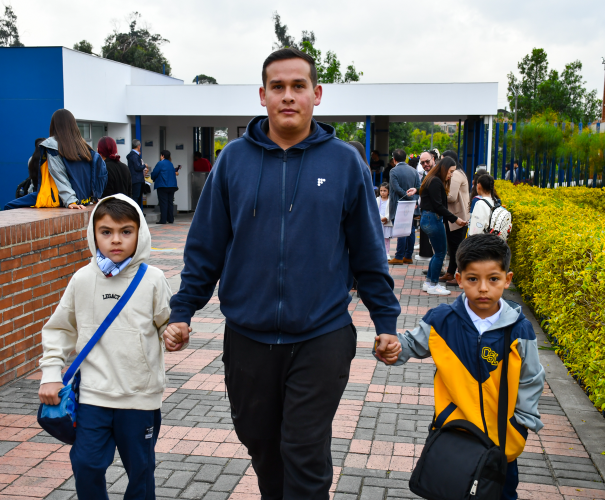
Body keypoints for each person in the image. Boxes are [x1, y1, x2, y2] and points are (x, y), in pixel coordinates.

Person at [165, 47, 401, 499]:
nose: (288, 96)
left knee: (305, 451)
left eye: (298, 86)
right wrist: (183, 311)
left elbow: (369, 252)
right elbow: (205, 247)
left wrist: (385, 322)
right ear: (262, 95)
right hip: (248, 338)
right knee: (263, 449)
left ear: (317, 94)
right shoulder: (233, 160)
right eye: (278, 87)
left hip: (321, 335)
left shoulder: (344, 162)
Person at [377, 234, 545, 500]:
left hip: (500, 443)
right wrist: (391, 349)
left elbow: (532, 378)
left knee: (501, 494)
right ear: (459, 279)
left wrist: (521, 424)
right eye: (472, 279)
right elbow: (410, 344)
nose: (483, 288)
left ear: (507, 279)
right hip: (453, 437)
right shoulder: (441, 321)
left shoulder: (519, 330)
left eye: (493, 279)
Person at [38, 195, 173, 499]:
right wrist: (50, 373)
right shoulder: (82, 279)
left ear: (140, 233)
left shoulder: (152, 279)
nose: (116, 240)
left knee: (141, 471)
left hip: (139, 399)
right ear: (93, 233)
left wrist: (174, 333)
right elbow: (59, 328)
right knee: (85, 464)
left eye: (126, 231)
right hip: (93, 397)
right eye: (106, 231)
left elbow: (167, 323)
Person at [4, 109, 108, 210]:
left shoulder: (53, 146)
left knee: (9, 206)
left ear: (54, 125)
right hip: (85, 199)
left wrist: (71, 200)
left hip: (57, 197)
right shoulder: (86, 148)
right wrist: (94, 196)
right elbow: (101, 174)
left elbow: (59, 174)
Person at [419, 157, 467, 295]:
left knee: (438, 253)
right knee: (440, 253)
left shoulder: (432, 179)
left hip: (429, 218)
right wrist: (455, 219)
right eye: (450, 171)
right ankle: (433, 284)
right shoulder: (435, 181)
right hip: (433, 218)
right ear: (444, 168)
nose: (451, 174)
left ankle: (429, 282)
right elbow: (438, 205)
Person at [441, 150, 469, 285]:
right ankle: (450, 273)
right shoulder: (459, 172)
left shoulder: (456, 174)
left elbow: (451, 196)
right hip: (455, 215)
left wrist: (437, 196)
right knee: (453, 247)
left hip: (457, 216)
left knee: (456, 247)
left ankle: (459, 276)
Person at [387, 149, 419, 265]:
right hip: (412, 205)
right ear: (405, 158)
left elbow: (396, 189)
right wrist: (413, 199)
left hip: (398, 204)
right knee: (410, 230)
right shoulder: (414, 171)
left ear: (394, 159)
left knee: (401, 230)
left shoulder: (393, 171)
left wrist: (407, 196)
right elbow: (418, 187)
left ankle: (399, 257)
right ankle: (408, 256)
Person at [151, 149, 178, 224]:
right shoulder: (171, 164)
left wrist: (152, 178)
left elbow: (154, 173)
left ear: (162, 156)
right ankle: (170, 219)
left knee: (163, 203)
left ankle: (163, 220)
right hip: (172, 186)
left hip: (163, 185)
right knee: (170, 202)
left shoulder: (160, 163)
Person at [127, 140, 148, 208]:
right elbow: (138, 167)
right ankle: (136, 214)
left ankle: (137, 214)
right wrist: (144, 165)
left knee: (137, 197)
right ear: (138, 146)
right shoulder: (134, 156)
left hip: (135, 179)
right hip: (137, 179)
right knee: (136, 198)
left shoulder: (132, 155)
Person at [377, 182, 392, 260]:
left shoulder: (390, 200)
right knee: (378, 238)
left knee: (386, 239)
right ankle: (379, 253)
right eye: (381, 190)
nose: (382, 192)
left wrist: (386, 218)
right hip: (379, 222)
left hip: (387, 222)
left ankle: (387, 253)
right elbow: (375, 210)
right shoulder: (377, 199)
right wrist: (381, 218)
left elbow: (392, 211)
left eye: (385, 190)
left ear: (388, 191)